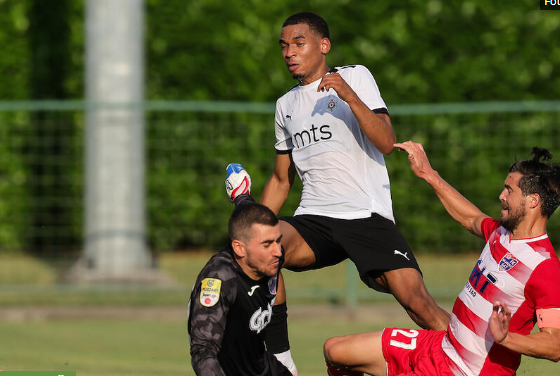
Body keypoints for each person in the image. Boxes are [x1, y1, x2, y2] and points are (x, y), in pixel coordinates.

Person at [260, 11, 450, 331]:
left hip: (365, 216)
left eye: (298, 43)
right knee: (264, 249)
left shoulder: (356, 76)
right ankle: (280, 356)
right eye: (283, 46)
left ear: (324, 45)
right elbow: (281, 179)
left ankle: (482, 359)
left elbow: (387, 142)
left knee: (419, 306)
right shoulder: (285, 105)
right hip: (314, 218)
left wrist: (348, 95)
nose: (288, 52)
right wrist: (252, 228)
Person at [323, 141, 560, 376]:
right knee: (336, 351)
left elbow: (555, 345)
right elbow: (470, 218)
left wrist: (507, 338)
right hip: (440, 347)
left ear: (533, 201)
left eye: (510, 190)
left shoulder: (544, 267)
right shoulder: (501, 233)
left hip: (464, 371)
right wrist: (428, 174)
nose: (501, 195)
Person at [188, 202, 296, 376]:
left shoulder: (268, 258)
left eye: (278, 241)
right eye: (267, 244)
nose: (277, 251)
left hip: (262, 365)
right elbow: (203, 350)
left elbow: (247, 211)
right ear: (239, 248)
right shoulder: (219, 279)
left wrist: (241, 195)